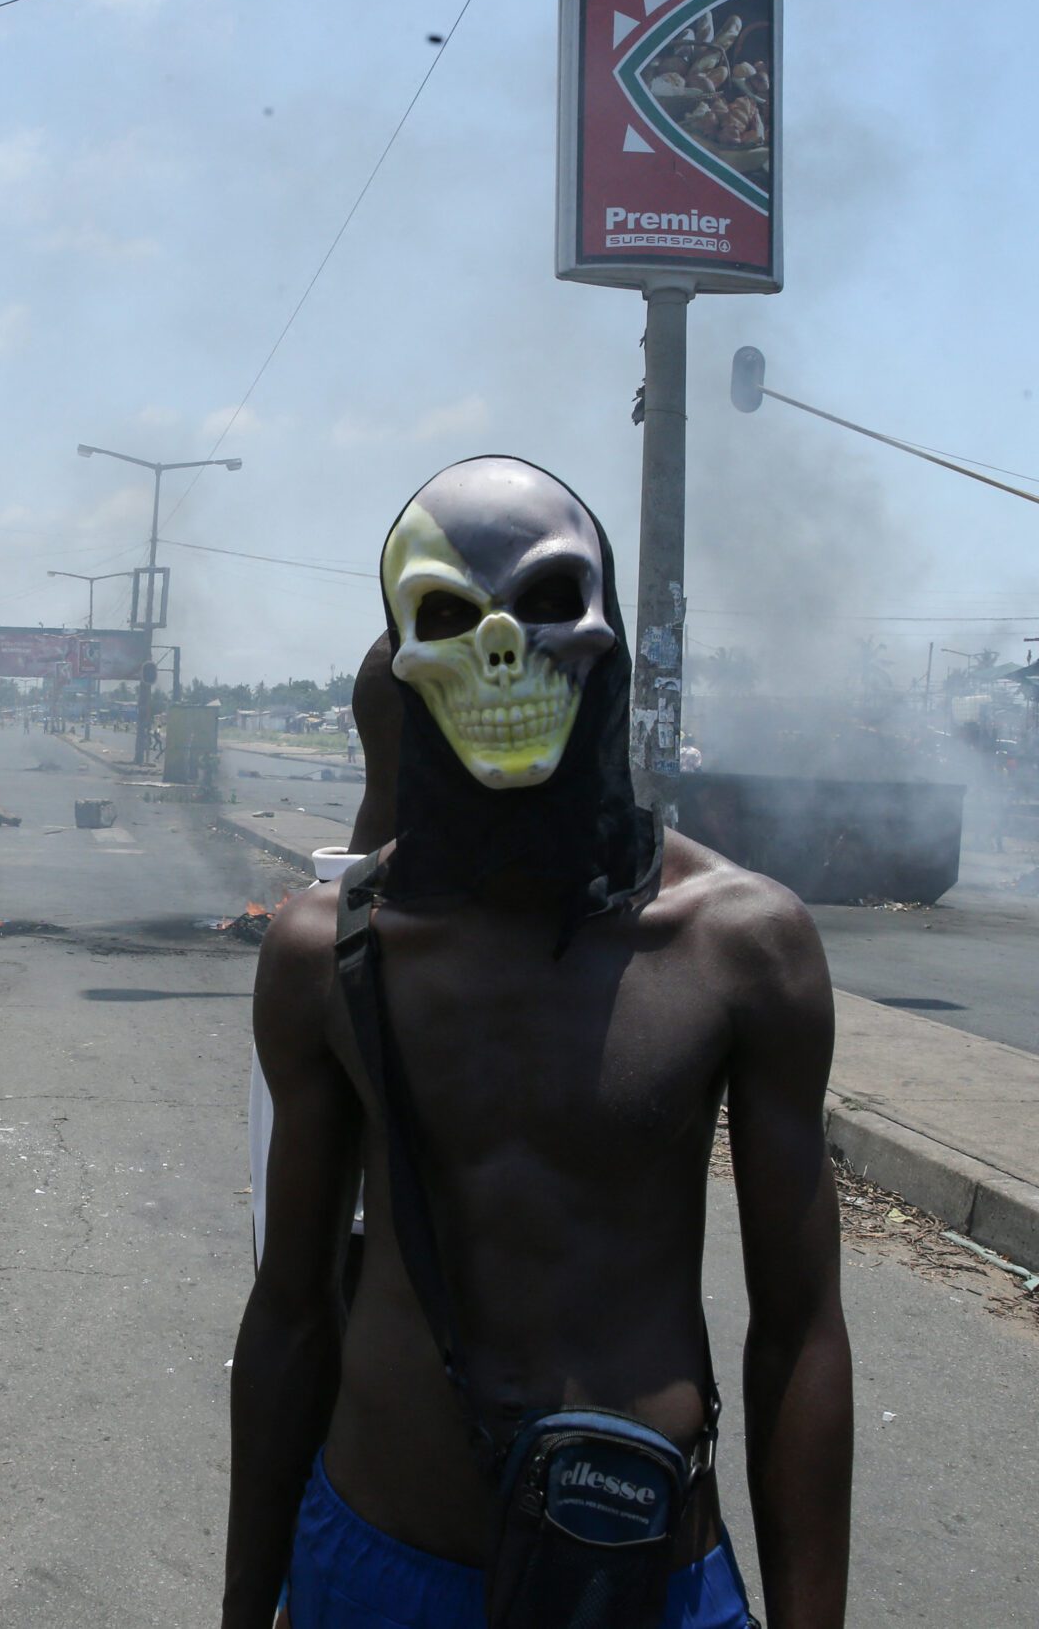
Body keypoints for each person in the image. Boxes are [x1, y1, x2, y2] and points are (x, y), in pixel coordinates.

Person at [226, 459, 850, 1629]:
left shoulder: (743, 946)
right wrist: (242, 1610)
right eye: (451, 621)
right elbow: (290, 1309)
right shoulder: (325, 953)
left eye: (551, 603)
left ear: (605, 633)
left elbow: (801, 1328)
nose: (504, 656)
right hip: (377, 1566)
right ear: (401, 664)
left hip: (647, 1578)